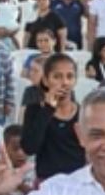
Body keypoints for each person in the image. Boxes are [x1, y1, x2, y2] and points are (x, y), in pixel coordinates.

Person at [21, 52, 86, 181]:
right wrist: (48, 109)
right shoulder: (34, 110)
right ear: (46, 80)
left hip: (78, 182)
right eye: (57, 77)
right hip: (46, 181)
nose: (65, 82)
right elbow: (29, 147)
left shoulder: (84, 113)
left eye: (70, 76)